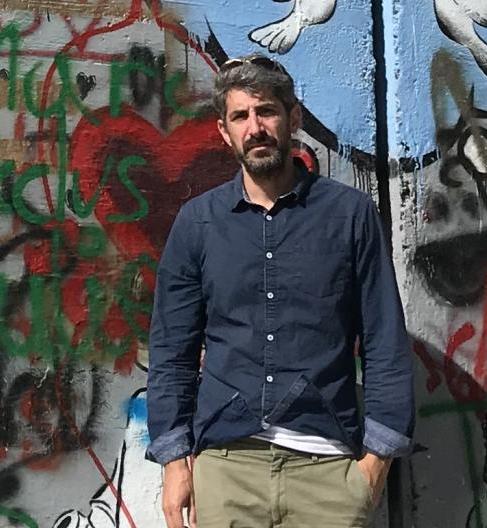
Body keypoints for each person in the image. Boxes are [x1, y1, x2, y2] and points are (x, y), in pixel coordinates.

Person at [146, 54, 414, 528]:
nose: (255, 127)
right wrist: (174, 463)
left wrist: (374, 468)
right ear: (224, 131)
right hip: (226, 471)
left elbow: (385, 343)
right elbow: (173, 351)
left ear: (293, 118)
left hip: (329, 473)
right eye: (240, 116)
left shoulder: (350, 216)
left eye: (266, 111)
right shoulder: (198, 224)